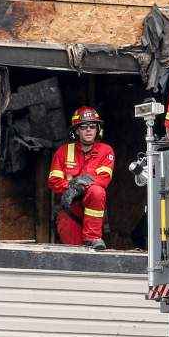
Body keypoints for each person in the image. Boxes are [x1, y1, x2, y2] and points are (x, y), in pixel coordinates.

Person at [47, 106, 114, 249]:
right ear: (76, 130)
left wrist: (78, 187)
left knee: (97, 191)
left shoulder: (106, 151)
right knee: (73, 256)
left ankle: (93, 238)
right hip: (69, 211)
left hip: (93, 213)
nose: (88, 130)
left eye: (92, 126)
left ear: (97, 129)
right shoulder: (63, 152)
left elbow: (103, 179)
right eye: (83, 127)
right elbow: (53, 181)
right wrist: (70, 187)